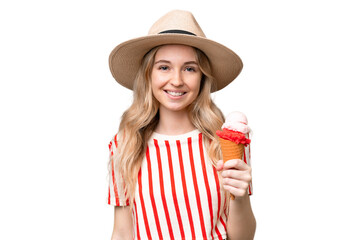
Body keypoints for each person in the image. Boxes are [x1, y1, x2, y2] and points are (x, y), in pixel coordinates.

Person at [107, 10, 256, 240]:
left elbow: (242, 238)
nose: (176, 80)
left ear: (202, 77)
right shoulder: (124, 145)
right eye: (164, 67)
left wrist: (242, 195)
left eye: (189, 68)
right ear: (148, 75)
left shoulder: (226, 142)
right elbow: (122, 233)